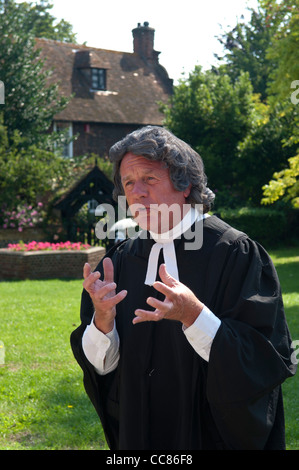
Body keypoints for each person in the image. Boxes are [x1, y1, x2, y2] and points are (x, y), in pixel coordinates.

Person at [71, 126, 296, 450]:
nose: (137, 193)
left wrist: (195, 316)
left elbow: (263, 361)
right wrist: (103, 321)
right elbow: (102, 370)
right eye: (129, 182)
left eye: (149, 179)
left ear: (184, 182)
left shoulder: (235, 253)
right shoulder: (120, 260)